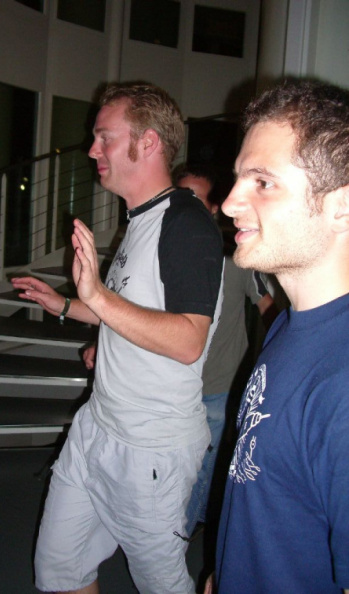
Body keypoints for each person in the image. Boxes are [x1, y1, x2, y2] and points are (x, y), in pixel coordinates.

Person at [12, 82, 223, 594]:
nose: (93, 150)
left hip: (149, 448)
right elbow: (129, 312)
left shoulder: (186, 224)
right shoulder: (140, 220)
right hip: (98, 426)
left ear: (147, 142)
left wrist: (98, 296)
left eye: (104, 136)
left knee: (161, 585)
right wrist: (65, 304)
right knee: (60, 570)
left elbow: (188, 341)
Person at [205, 79, 349, 594]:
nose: (229, 203)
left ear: (341, 206)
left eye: (263, 182)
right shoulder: (288, 325)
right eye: (238, 178)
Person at [174, 163, 277, 536]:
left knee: (201, 470)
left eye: (196, 199)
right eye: (180, 197)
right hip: (170, 387)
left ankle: (177, 541)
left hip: (218, 387)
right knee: (170, 469)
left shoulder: (235, 257)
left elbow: (268, 308)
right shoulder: (162, 253)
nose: (187, 207)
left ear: (214, 208)